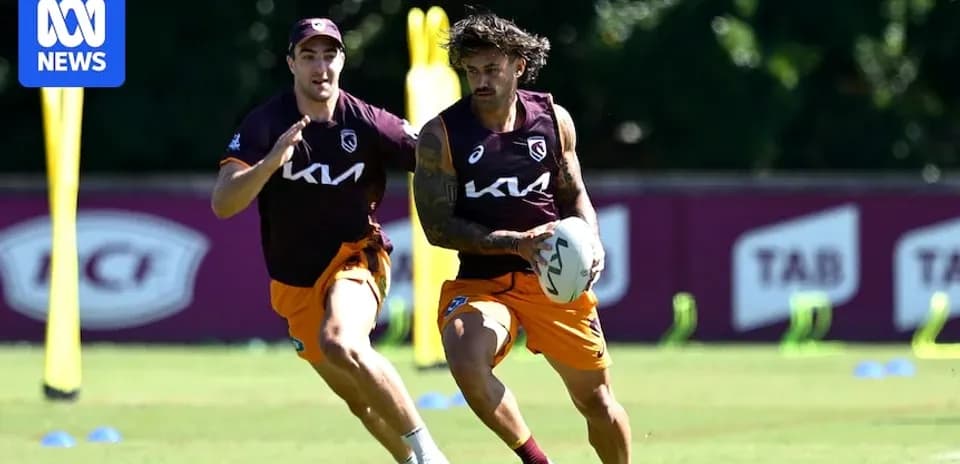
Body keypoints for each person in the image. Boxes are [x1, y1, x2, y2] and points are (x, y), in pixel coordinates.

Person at [212, 17, 450, 464]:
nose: (320, 66)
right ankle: (412, 459)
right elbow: (223, 202)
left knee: (343, 341)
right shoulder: (268, 123)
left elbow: (441, 159)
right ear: (291, 63)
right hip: (294, 283)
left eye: (329, 54)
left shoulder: (368, 122)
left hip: (356, 258)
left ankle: (430, 453)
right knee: (359, 401)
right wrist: (269, 164)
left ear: (342, 59)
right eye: (308, 56)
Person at [411, 11, 633, 464]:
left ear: (518, 64)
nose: (480, 80)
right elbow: (437, 229)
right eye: (471, 71)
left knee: (598, 405)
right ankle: (536, 460)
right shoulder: (441, 135)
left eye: (491, 69)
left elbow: (574, 196)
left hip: (553, 280)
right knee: (463, 353)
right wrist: (516, 243)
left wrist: (591, 240)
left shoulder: (553, 119)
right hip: (483, 282)